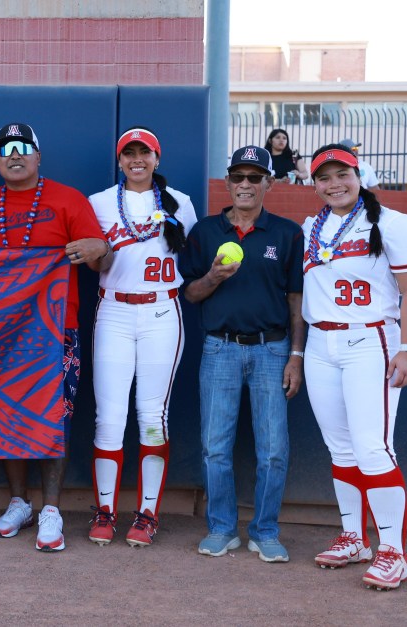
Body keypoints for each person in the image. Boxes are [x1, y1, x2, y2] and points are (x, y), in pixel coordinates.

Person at [0, 123, 108, 552]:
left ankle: (51, 509)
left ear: (38, 155)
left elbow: (101, 253)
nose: (15, 154)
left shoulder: (69, 199)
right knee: (4, 414)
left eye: (23, 147)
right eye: (5, 149)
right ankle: (19, 503)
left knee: (55, 416)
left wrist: (99, 250)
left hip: (55, 329)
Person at [302, 144, 407, 591]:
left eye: (342, 174)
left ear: (359, 175)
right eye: (324, 177)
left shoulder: (394, 222)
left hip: (369, 339)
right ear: (313, 183)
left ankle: (394, 552)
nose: (334, 184)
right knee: (341, 449)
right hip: (321, 341)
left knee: (373, 448)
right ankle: (355, 538)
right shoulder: (310, 227)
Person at [180, 146, 305, 562]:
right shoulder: (205, 231)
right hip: (220, 348)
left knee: (273, 449)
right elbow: (191, 293)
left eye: (255, 177)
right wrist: (213, 275)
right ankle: (221, 527)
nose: (246, 185)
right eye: (238, 177)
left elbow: (296, 300)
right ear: (228, 183)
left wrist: (296, 356)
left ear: (269, 182)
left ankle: (265, 531)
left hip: (272, 349)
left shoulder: (287, 233)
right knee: (216, 445)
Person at [86, 126, 196, 547]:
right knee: (109, 419)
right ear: (119, 160)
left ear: (156, 158)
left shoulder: (180, 203)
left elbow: (192, 255)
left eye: (144, 152)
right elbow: (95, 264)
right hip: (113, 308)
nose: (137, 159)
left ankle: (148, 512)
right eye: (129, 152)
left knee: (152, 418)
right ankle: (105, 511)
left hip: (161, 310)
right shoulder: (98, 203)